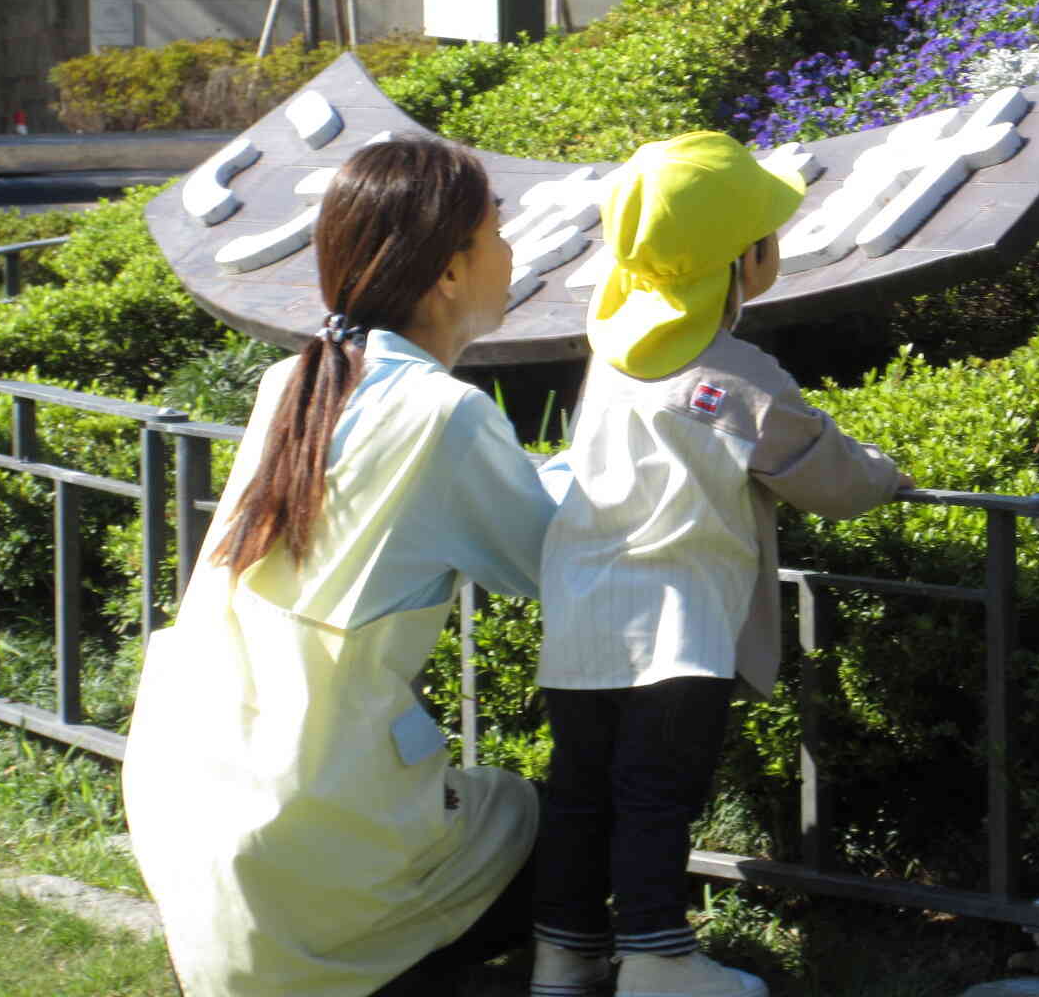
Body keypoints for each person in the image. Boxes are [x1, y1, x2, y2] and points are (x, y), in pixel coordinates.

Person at [123, 134, 564, 997]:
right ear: (447, 272)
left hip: (199, 801)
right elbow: (547, 560)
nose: (513, 249)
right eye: (498, 228)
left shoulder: (294, 381)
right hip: (314, 835)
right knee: (571, 823)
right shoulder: (444, 414)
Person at [530, 131, 914, 997]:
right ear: (745, 258)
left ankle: (565, 956)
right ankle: (660, 963)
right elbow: (834, 478)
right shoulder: (735, 377)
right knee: (659, 795)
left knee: (583, 793)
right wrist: (891, 474)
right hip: (677, 624)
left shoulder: (614, 348)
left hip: (582, 609)